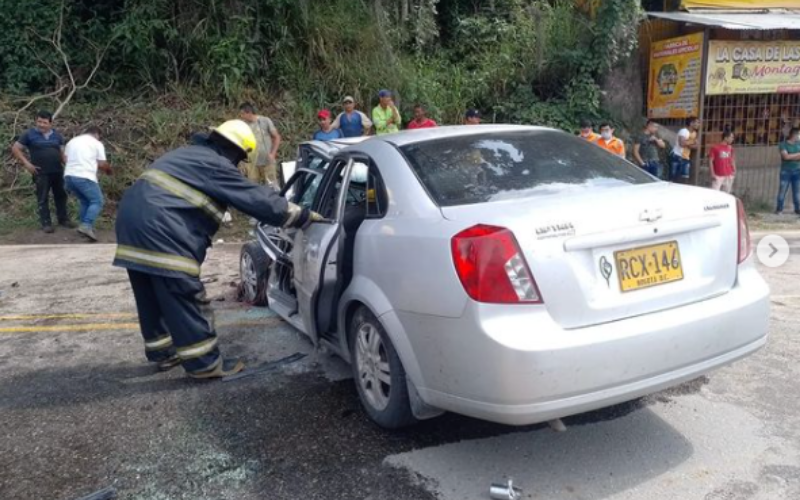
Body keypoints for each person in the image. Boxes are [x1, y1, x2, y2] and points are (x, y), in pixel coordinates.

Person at [113, 120, 321, 379]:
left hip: (130, 224)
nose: (239, 164)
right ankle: (206, 365)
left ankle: (163, 353)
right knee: (183, 294)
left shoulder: (185, 155)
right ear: (236, 151)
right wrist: (302, 215)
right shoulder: (215, 165)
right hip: (163, 229)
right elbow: (257, 200)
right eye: (241, 158)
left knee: (151, 293)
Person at [11, 110, 72, 233]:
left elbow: (62, 154)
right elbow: (16, 148)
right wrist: (27, 164)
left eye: (44, 122)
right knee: (42, 197)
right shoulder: (29, 134)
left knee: (61, 195)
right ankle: (46, 223)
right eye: (39, 122)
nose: (41, 125)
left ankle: (63, 220)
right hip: (40, 172)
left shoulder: (57, 136)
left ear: (51, 123)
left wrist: (70, 167)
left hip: (57, 171)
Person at [64, 126, 111, 242]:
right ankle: (86, 225)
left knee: (85, 201)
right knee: (97, 201)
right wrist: (109, 170)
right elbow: (102, 163)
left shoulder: (72, 141)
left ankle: (84, 227)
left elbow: (65, 158)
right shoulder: (96, 143)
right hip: (84, 176)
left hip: (69, 176)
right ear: (97, 134)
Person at [238, 103, 282, 186]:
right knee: (253, 187)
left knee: (272, 187)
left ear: (249, 113)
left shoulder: (265, 121)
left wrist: (273, 154)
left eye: (242, 114)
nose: (241, 116)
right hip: (251, 164)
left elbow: (277, 137)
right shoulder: (243, 125)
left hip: (268, 161)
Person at [776, 127, 800, 215]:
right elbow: (785, 157)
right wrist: (798, 155)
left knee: (797, 192)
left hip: (797, 170)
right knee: (782, 190)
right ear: (794, 135)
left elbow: (789, 157)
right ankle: (779, 209)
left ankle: (797, 209)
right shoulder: (783, 144)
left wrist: (791, 156)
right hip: (785, 171)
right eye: (798, 134)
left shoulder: (799, 144)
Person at [670, 117, 700, 182]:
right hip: (677, 156)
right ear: (691, 123)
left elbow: (696, 146)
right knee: (674, 179)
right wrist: (692, 142)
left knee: (684, 179)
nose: (698, 124)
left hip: (685, 157)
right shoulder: (684, 131)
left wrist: (689, 143)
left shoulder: (694, 133)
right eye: (697, 122)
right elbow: (682, 144)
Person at [709, 127, 736, 193]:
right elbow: (710, 161)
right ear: (725, 138)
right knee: (714, 193)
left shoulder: (730, 148)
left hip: (729, 175)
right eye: (731, 137)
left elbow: (732, 159)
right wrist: (712, 173)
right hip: (718, 175)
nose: (732, 139)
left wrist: (734, 170)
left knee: (726, 194)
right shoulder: (715, 148)